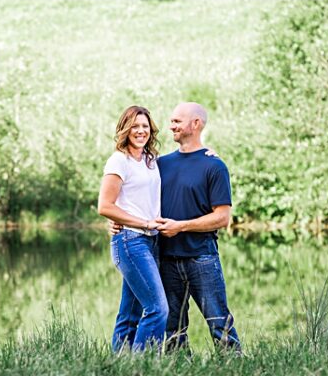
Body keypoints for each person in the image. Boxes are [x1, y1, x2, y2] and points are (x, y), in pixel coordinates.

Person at [156, 101, 241, 352]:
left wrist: (181, 226)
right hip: (166, 259)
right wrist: (115, 221)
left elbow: (222, 218)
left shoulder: (214, 166)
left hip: (201, 258)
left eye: (177, 121)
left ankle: (235, 369)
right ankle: (178, 373)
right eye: (171, 121)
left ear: (196, 124)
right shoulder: (161, 164)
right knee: (173, 328)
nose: (171, 126)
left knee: (219, 323)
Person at [96, 104, 169, 353]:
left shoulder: (151, 161)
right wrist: (143, 222)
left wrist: (205, 153)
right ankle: (143, 364)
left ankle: (119, 366)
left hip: (151, 242)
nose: (140, 131)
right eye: (135, 126)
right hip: (130, 241)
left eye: (145, 126)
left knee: (131, 312)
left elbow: (183, 162)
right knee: (158, 308)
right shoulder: (119, 160)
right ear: (125, 129)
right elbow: (105, 206)